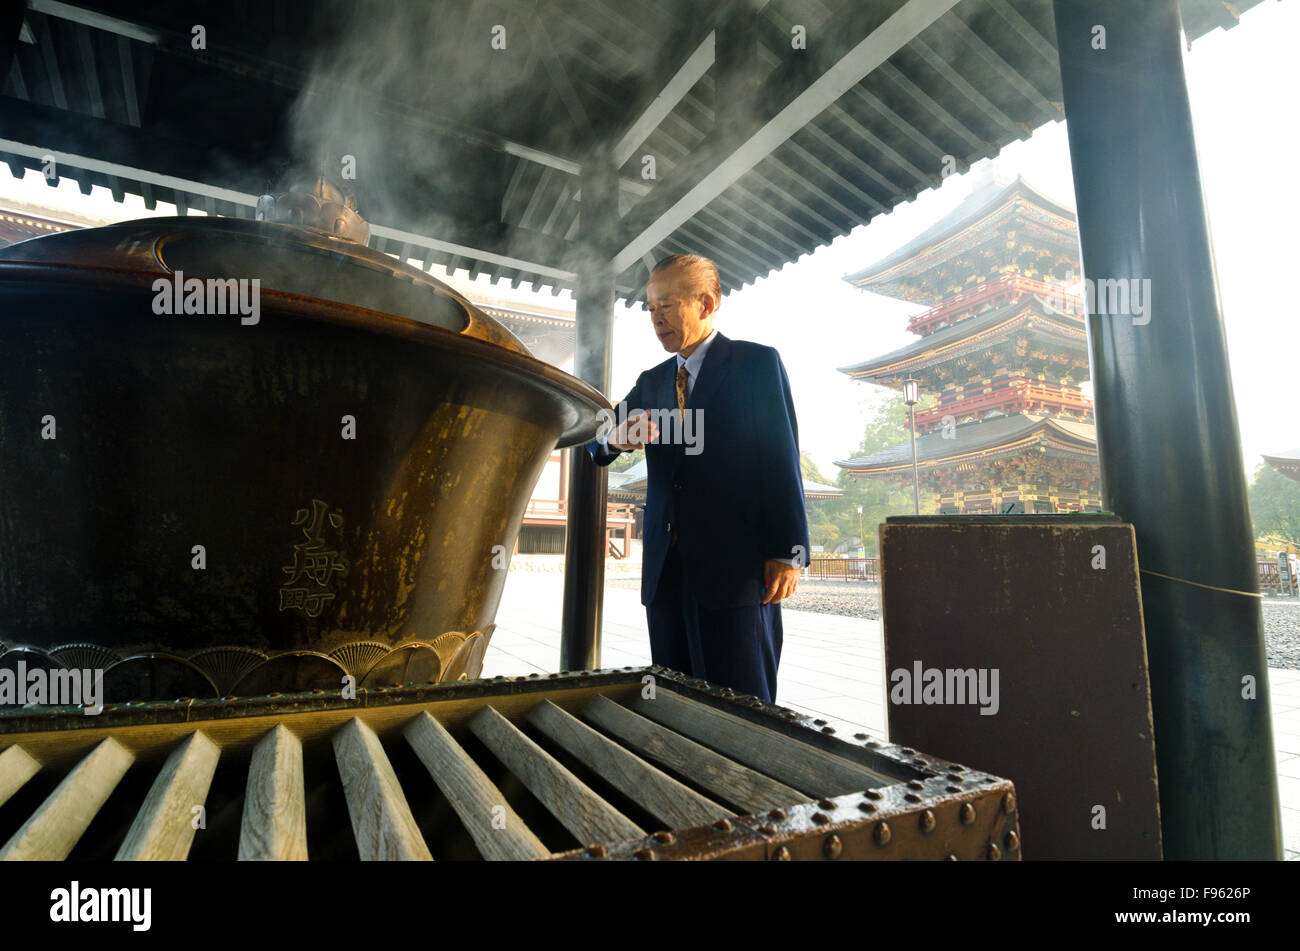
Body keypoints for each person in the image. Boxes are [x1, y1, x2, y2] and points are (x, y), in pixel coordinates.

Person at [588, 253, 809, 703]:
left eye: (666, 305)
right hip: (666, 573)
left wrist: (788, 552)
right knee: (674, 699)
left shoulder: (755, 364)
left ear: (706, 303)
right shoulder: (651, 382)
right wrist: (616, 437)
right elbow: (594, 439)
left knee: (743, 705)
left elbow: (781, 456)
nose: (656, 318)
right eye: (650, 308)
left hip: (737, 569)